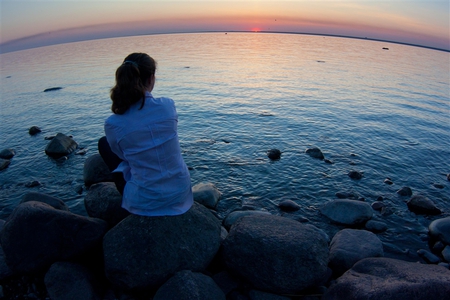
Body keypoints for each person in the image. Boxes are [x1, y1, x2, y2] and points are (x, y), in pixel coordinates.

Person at [98, 53, 193, 216]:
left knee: (103, 143)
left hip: (144, 203)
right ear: (151, 78)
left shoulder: (113, 123)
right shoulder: (168, 106)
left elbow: (121, 155)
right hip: (180, 194)